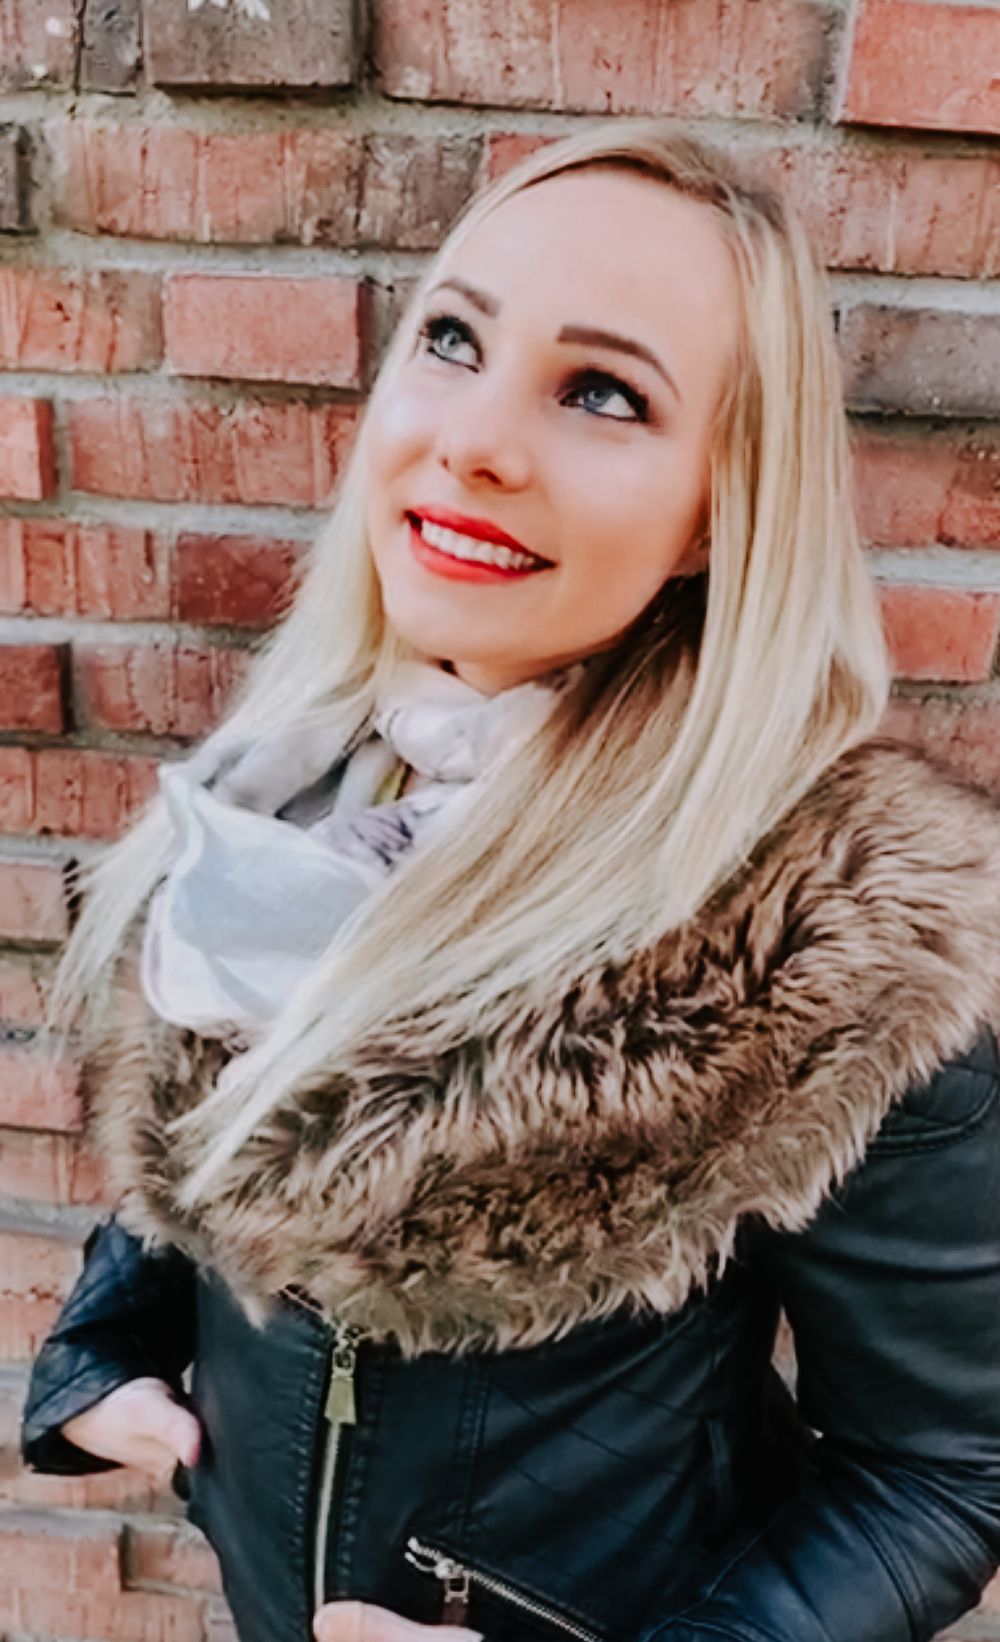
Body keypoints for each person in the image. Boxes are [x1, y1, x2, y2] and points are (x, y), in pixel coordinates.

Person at [20, 121, 1000, 1642]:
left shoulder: (828, 934)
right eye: (454, 340)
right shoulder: (280, 790)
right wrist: (98, 1348)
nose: (475, 438)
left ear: (718, 511)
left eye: (603, 392)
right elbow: (207, 1144)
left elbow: (938, 1475)